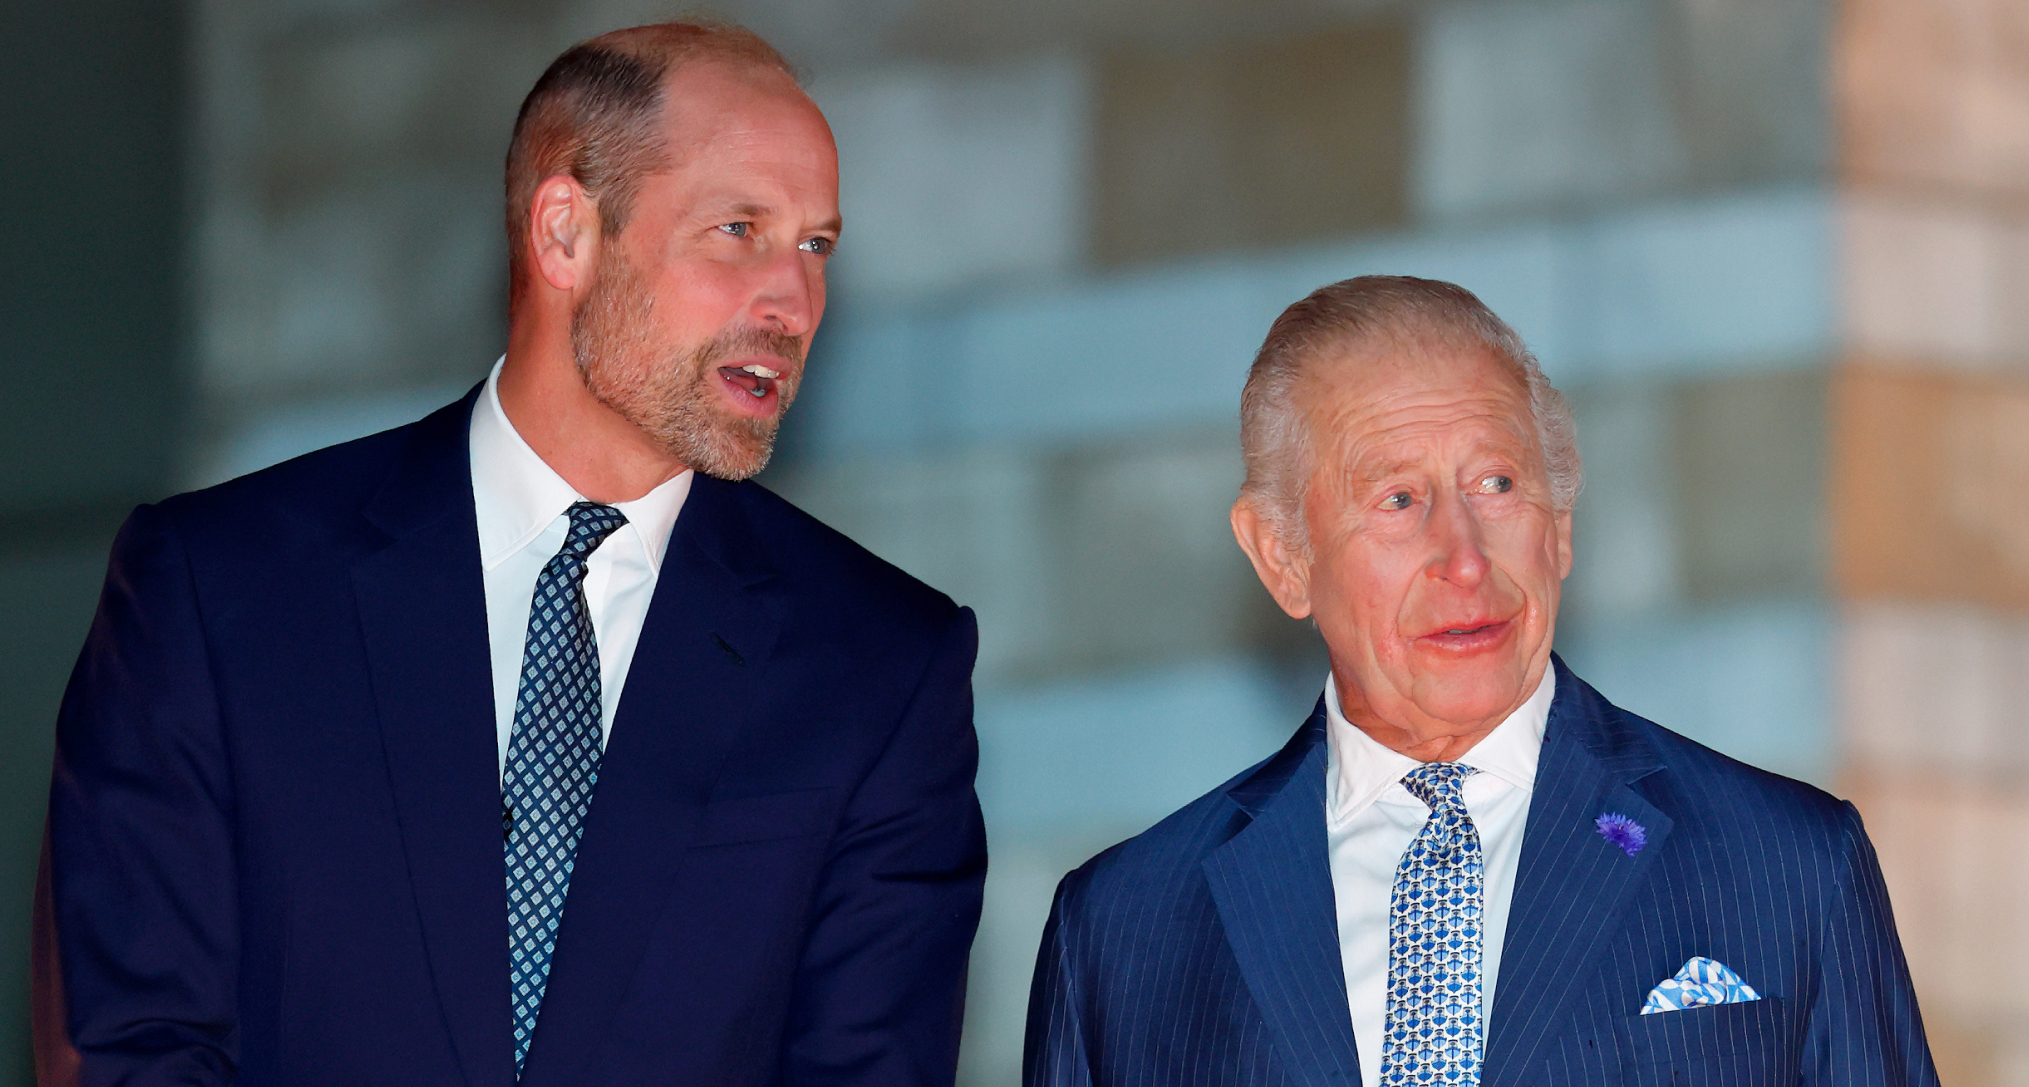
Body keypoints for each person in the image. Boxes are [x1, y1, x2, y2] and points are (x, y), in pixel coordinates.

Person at [43, 21, 985, 1087]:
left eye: (816, 246)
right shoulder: (220, 588)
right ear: (564, 233)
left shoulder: (881, 666)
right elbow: (134, 1044)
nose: (794, 303)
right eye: (739, 230)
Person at [1024, 275, 1937, 1087]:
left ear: (1561, 522)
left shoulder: (1786, 861)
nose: (1463, 559)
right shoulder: (1122, 932)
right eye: (1398, 500)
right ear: (1282, 558)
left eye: (1497, 483)